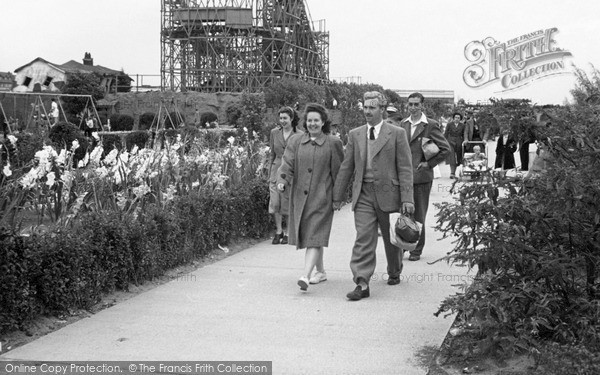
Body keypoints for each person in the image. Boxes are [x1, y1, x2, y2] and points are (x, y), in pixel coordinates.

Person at [333, 91, 414, 301]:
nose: (367, 111)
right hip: (364, 194)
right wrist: (337, 196)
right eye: (365, 107)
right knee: (364, 238)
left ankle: (394, 270)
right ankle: (362, 281)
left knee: (391, 240)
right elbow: (346, 167)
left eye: (371, 107)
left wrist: (407, 198)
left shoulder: (396, 133)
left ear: (382, 110)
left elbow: (405, 168)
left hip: (390, 194)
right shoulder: (355, 134)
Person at [277, 103, 344, 291]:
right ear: (305, 122)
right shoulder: (296, 141)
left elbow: (339, 172)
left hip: (322, 198)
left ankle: (305, 276)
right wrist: (282, 180)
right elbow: (287, 163)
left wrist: (338, 198)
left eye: (316, 120)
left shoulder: (333, 143)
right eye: (309, 120)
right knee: (314, 235)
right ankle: (320, 271)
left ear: (323, 122)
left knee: (314, 236)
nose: (313, 123)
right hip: (300, 196)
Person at [399, 92, 450, 262]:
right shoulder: (402, 124)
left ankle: (416, 250)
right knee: (403, 213)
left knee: (418, 214)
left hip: (421, 178)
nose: (413, 108)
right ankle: (403, 246)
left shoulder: (430, 125)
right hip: (403, 177)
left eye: (416, 104)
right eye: (410, 104)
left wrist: (429, 164)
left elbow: (445, 149)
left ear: (422, 105)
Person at [268, 106, 299, 245]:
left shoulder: (299, 135)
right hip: (276, 170)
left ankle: (287, 232)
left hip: (291, 171)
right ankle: (278, 231)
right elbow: (271, 154)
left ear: (291, 119)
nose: (282, 121)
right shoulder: (274, 133)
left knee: (287, 202)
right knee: (275, 202)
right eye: (280, 118)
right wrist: (269, 172)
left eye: (285, 118)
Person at [444, 112, 466, 179]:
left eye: (458, 118)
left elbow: (464, 134)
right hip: (450, 141)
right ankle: (452, 173)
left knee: (458, 158)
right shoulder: (449, 124)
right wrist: (444, 142)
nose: (457, 119)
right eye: (456, 117)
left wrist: (464, 141)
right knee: (452, 157)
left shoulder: (462, 125)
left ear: (460, 119)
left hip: (459, 142)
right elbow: (446, 133)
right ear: (453, 118)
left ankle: (455, 170)